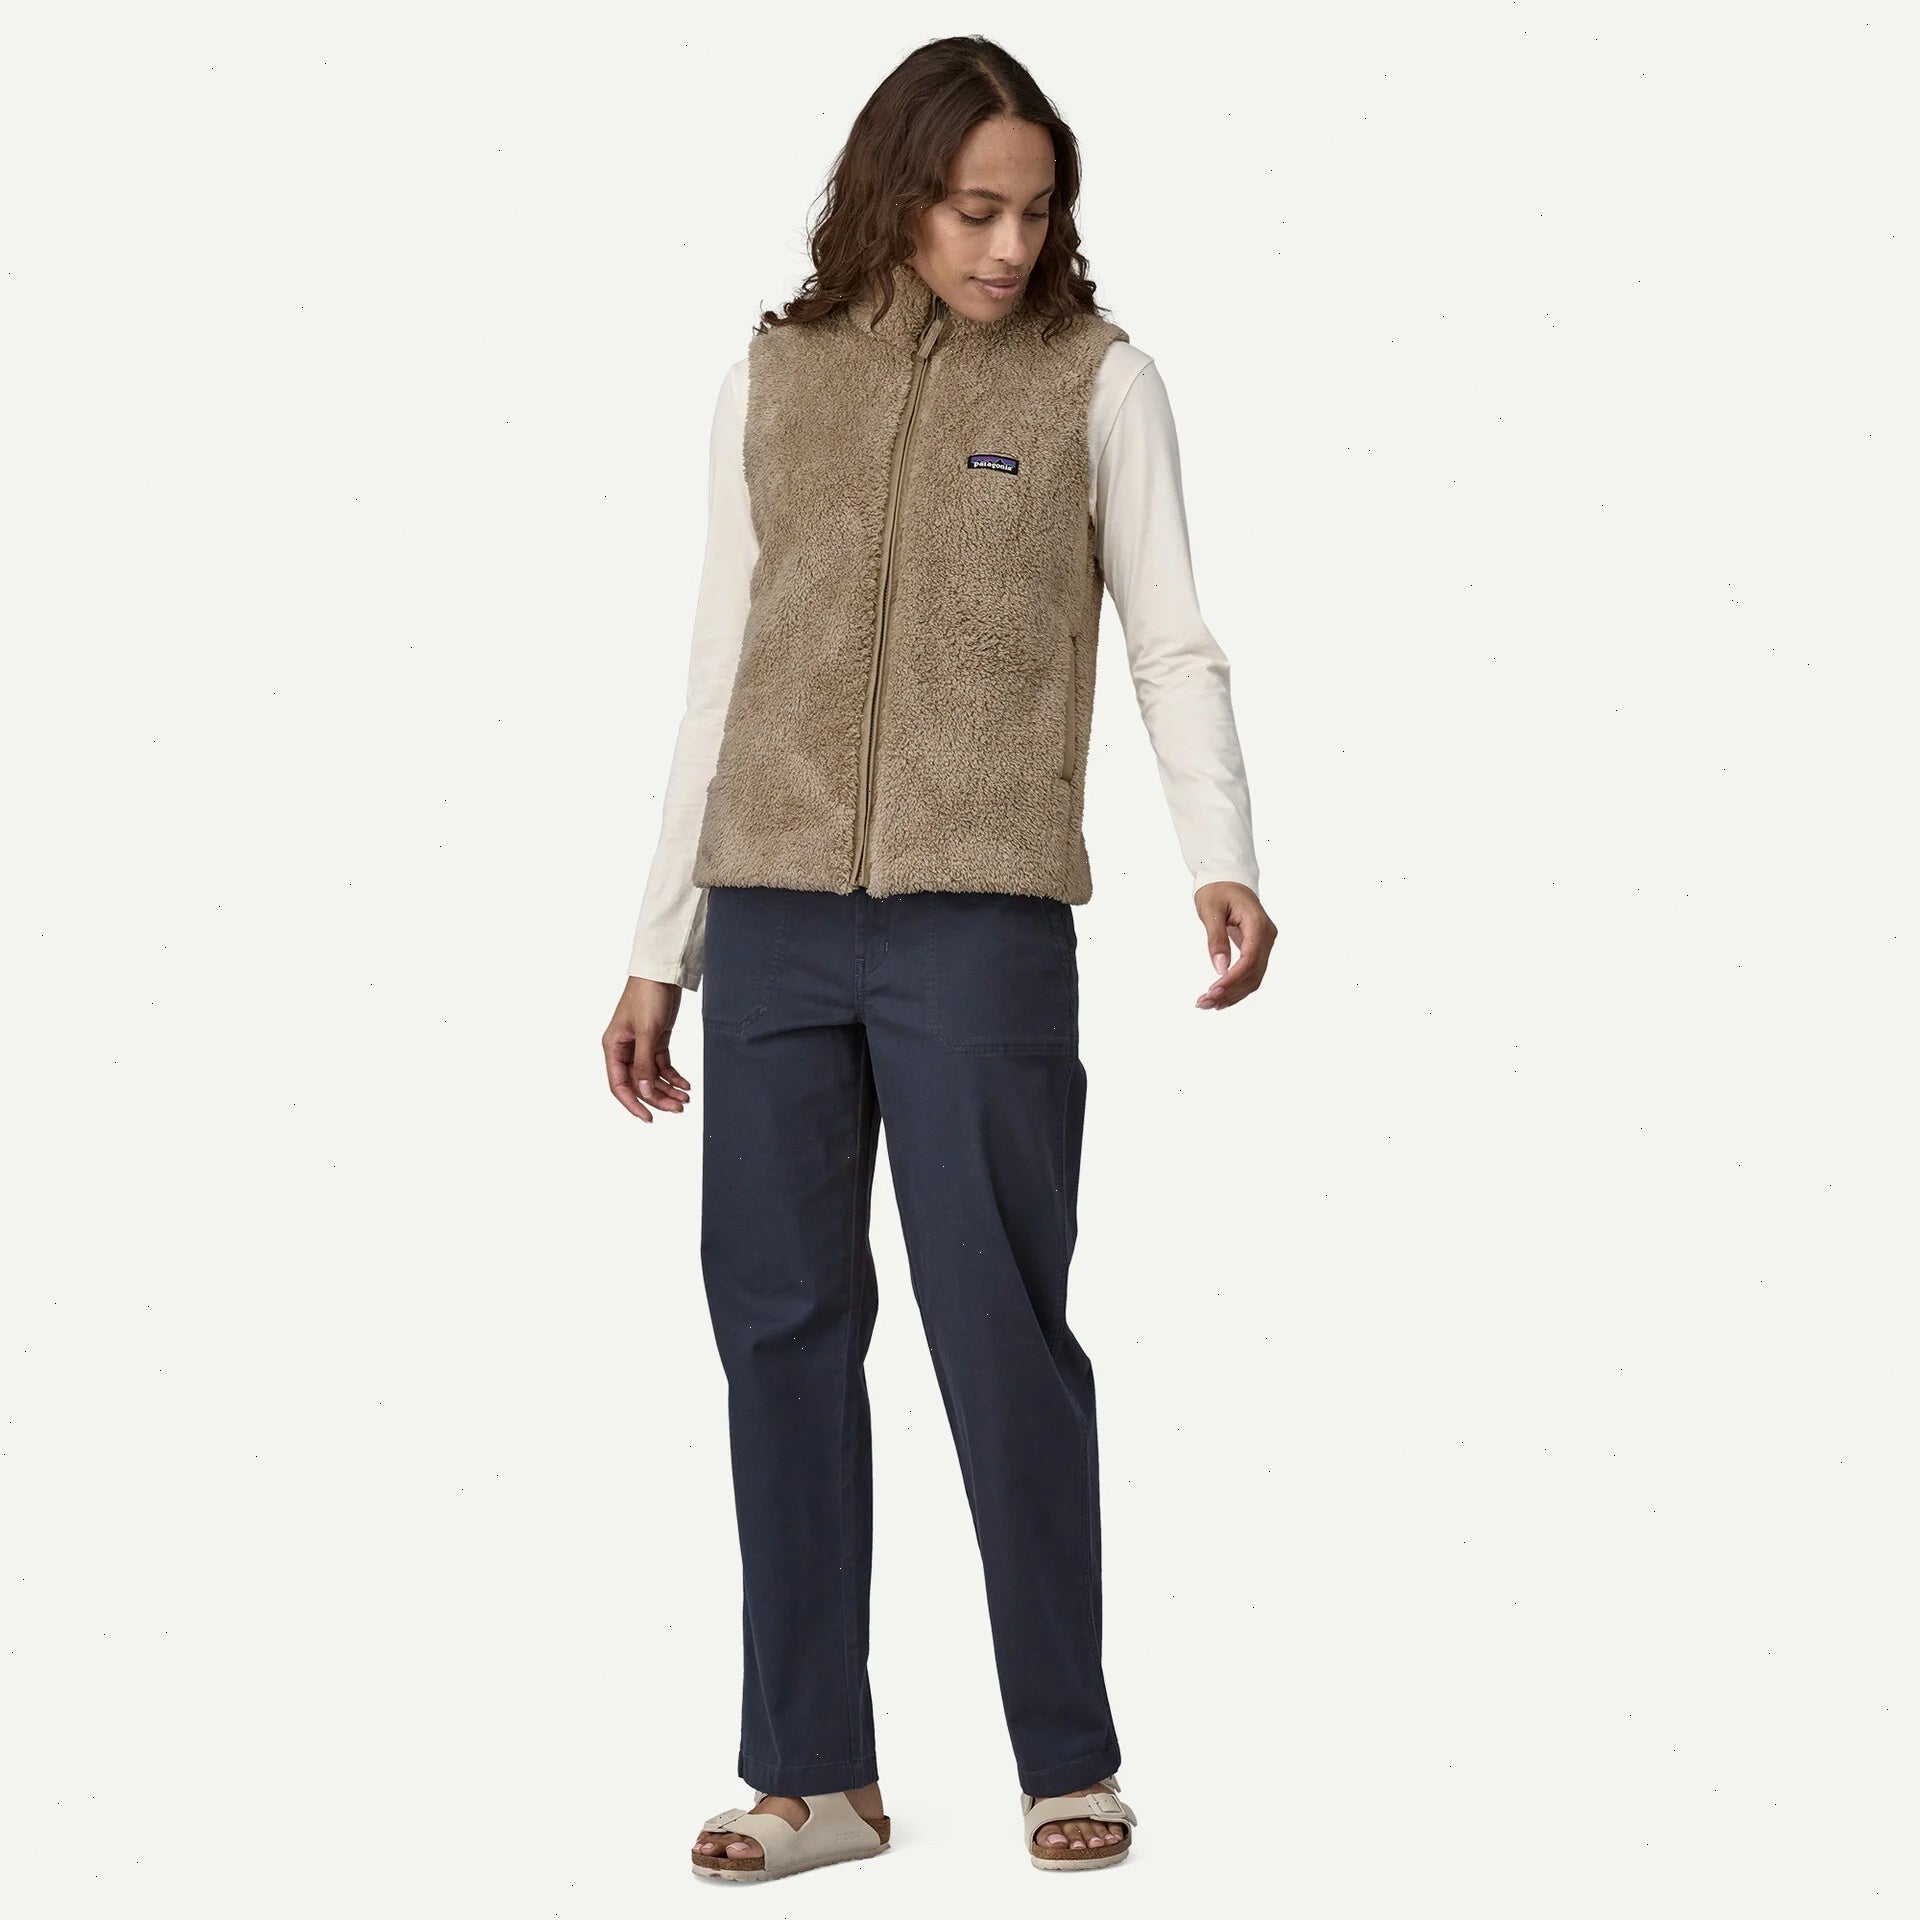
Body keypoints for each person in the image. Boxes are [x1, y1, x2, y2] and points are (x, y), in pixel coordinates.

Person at [601, 35, 1274, 1882]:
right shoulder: (775, 375)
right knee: (780, 1333)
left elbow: (1171, 639)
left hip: (981, 924)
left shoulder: (1098, 382)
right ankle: (813, 1778)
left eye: (1036, 212)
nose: (1008, 245)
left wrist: (1219, 854)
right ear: (897, 197)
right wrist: (659, 946)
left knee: (1000, 1333)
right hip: (771, 918)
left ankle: (1068, 1754)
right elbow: (720, 664)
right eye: (977, 209)